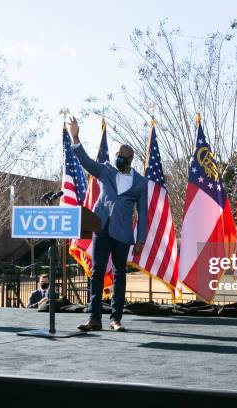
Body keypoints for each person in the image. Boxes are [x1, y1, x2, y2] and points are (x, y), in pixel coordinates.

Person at [68, 117, 148, 332]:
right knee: (96, 272)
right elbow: (86, 161)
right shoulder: (105, 170)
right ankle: (94, 318)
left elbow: (143, 213)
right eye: (117, 156)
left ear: (130, 159)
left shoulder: (140, 183)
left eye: (122, 157)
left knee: (119, 274)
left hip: (122, 234)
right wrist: (75, 137)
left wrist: (141, 239)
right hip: (101, 228)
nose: (118, 159)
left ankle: (116, 319)